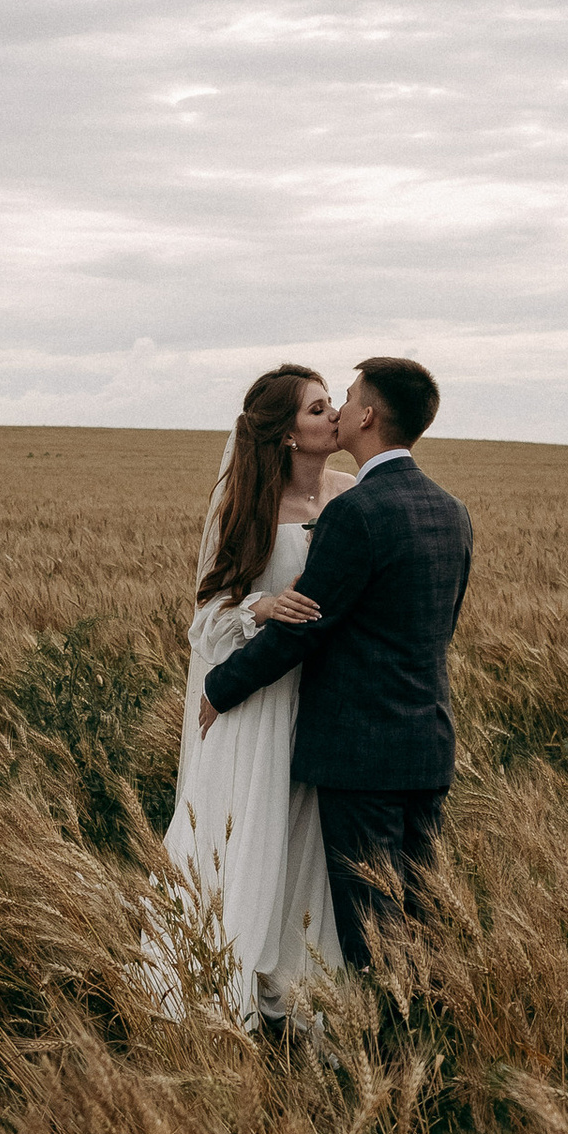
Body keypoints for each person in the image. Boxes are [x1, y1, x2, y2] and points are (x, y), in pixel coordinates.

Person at [199, 357, 471, 975]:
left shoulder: (354, 510)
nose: (340, 410)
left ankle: (392, 1032)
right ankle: (433, 1026)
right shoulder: (451, 510)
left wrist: (221, 686)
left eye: (345, 398)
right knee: (424, 917)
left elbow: (308, 626)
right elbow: (438, 628)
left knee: (372, 932)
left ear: (367, 416)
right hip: (427, 744)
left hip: (360, 751)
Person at [153, 365, 343, 1027]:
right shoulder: (248, 508)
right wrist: (261, 606)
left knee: (307, 846)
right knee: (253, 841)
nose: (333, 415)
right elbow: (205, 623)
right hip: (262, 707)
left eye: (331, 403)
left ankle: (298, 993)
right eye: (317, 409)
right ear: (287, 435)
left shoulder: (350, 497)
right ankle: (225, 993)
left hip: (323, 700)